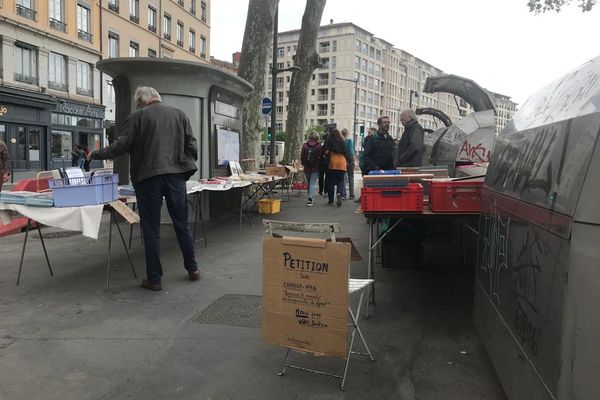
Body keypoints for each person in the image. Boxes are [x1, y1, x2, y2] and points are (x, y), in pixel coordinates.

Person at [90, 86, 199, 291]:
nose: (137, 107)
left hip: (148, 178)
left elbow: (121, 146)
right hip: (175, 177)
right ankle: (192, 267)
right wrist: (182, 164)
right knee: (182, 223)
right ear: (157, 98)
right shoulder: (179, 115)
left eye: (137, 104)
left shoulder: (137, 117)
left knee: (151, 228)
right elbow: (192, 146)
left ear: (142, 101)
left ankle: (154, 279)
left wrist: (97, 154)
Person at [322, 128, 348, 207]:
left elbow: (324, 151)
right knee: (340, 181)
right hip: (342, 163)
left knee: (331, 183)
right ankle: (339, 192)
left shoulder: (329, 141)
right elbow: (347, 153)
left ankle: (330, 201)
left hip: (332, 163)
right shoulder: (343, 142)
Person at [300, 131, 322, 207]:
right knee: (313, 183)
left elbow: (302, 156)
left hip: (306, 167)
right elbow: (320, 157)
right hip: (315, 167)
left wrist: (303, 163)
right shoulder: (319, 146)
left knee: (309, 183)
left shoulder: (305, 145)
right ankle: (310, 198)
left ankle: (310, 197)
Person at [341, 128, 355, 199]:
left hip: (342, 161)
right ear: (347, 134)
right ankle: (351, 194)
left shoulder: (340, 142)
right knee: (351, 177)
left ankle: (343, 194)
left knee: (343, 178)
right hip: (349, 161)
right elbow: (351, 152)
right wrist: (353, 161)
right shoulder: (349, 141)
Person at [317, 132, 328, 197]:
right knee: (327, 178)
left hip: (321, 163)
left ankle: (320, 191)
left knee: (321, 177)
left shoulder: (322, 145)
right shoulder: (329, 145)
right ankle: (326, 191)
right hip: (326, 163)